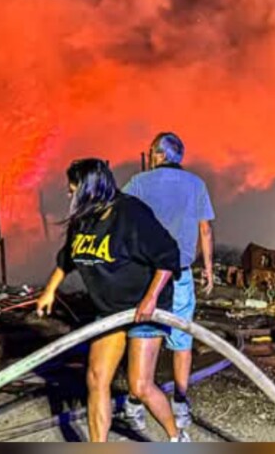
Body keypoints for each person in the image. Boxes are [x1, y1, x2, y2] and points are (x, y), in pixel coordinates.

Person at [35, 158, 189, 442]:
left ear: (91, 189)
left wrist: (151, 299)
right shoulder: (83, 219)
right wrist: (49, 291)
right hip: (109, 310)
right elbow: (67, 258)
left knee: (140, 385)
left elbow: (168, 257)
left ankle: (176, 437)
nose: (69, 195)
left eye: (73, 190)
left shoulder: (131, 214)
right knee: (96, 378)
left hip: (145, 307)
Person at [121, 132, 215, 432]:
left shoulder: (138, 183)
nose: (150, 157)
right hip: (181, 274)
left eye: (152, 153)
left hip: (146, 277)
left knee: (144, 337)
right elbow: (205, 231)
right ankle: (180, 401)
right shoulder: (197, 185)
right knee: (182, 340)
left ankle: (135, 402)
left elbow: (119, 218)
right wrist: (209, 268)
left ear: (158, 154)